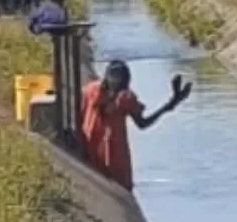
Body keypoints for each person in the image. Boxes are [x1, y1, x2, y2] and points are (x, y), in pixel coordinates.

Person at [80, 60, 192, 192]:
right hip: (113, 155)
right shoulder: (122, 98)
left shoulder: (92, 90)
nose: (115, 81)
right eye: (115, 76)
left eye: (117, 77)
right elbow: (142, 124)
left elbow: (81, 113)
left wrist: (170, 104)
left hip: (95, 150)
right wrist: (169, 105)